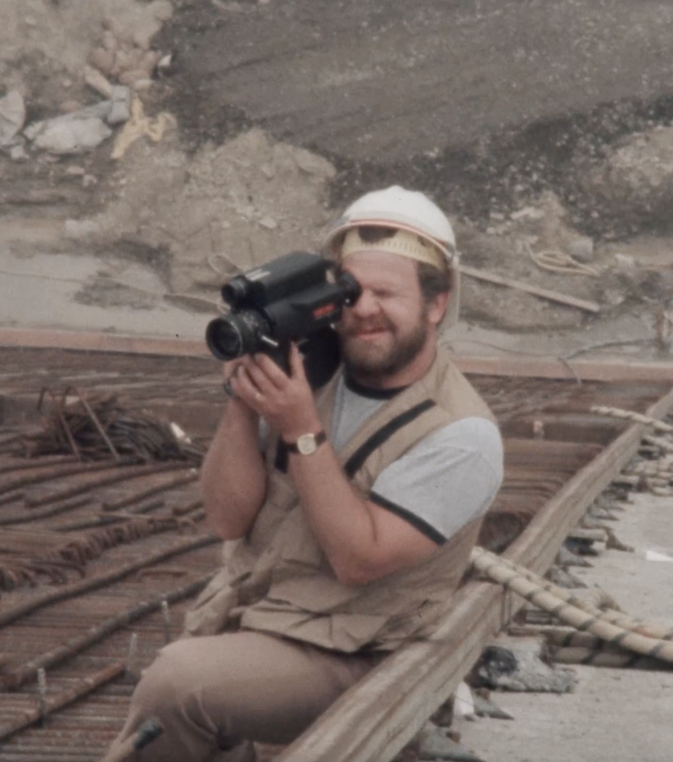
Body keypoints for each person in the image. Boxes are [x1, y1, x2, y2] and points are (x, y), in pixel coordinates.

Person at [107, 186, 504, 761]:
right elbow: (226, 517)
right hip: (259, 620)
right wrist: (245, 402)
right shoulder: (313, 373)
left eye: (387, 294)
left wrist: (302, 428)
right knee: (174, 699)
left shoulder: (461, 434)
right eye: (352, 290)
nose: (364, 309)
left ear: (436, 304)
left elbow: (358, 559)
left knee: (178, 685)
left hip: (359, 653)